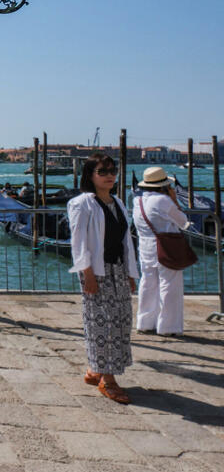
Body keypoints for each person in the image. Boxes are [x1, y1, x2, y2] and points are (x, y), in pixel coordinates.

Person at [67, 152, 138, 404]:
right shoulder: (82, 203)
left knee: (120, 323)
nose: (110, 176)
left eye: (112, 171)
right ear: (90, 175)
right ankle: (107, 380)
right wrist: (87, 275)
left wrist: (130, 272)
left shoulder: (117, 202)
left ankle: (96, 369)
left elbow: (125, 241)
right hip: (96, 271)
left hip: (118, 270)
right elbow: (79, 242)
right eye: (103, 172)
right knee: (103, 325)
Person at [134, 166, 190, 337]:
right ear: (164, 186)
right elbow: (183, 222)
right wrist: (174, 201)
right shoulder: (164, 201)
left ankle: (144, 323)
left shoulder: (138, 200)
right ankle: (168, 327)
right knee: (170, 284)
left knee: (147, 283)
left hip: (145, 246)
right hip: (166, 245)